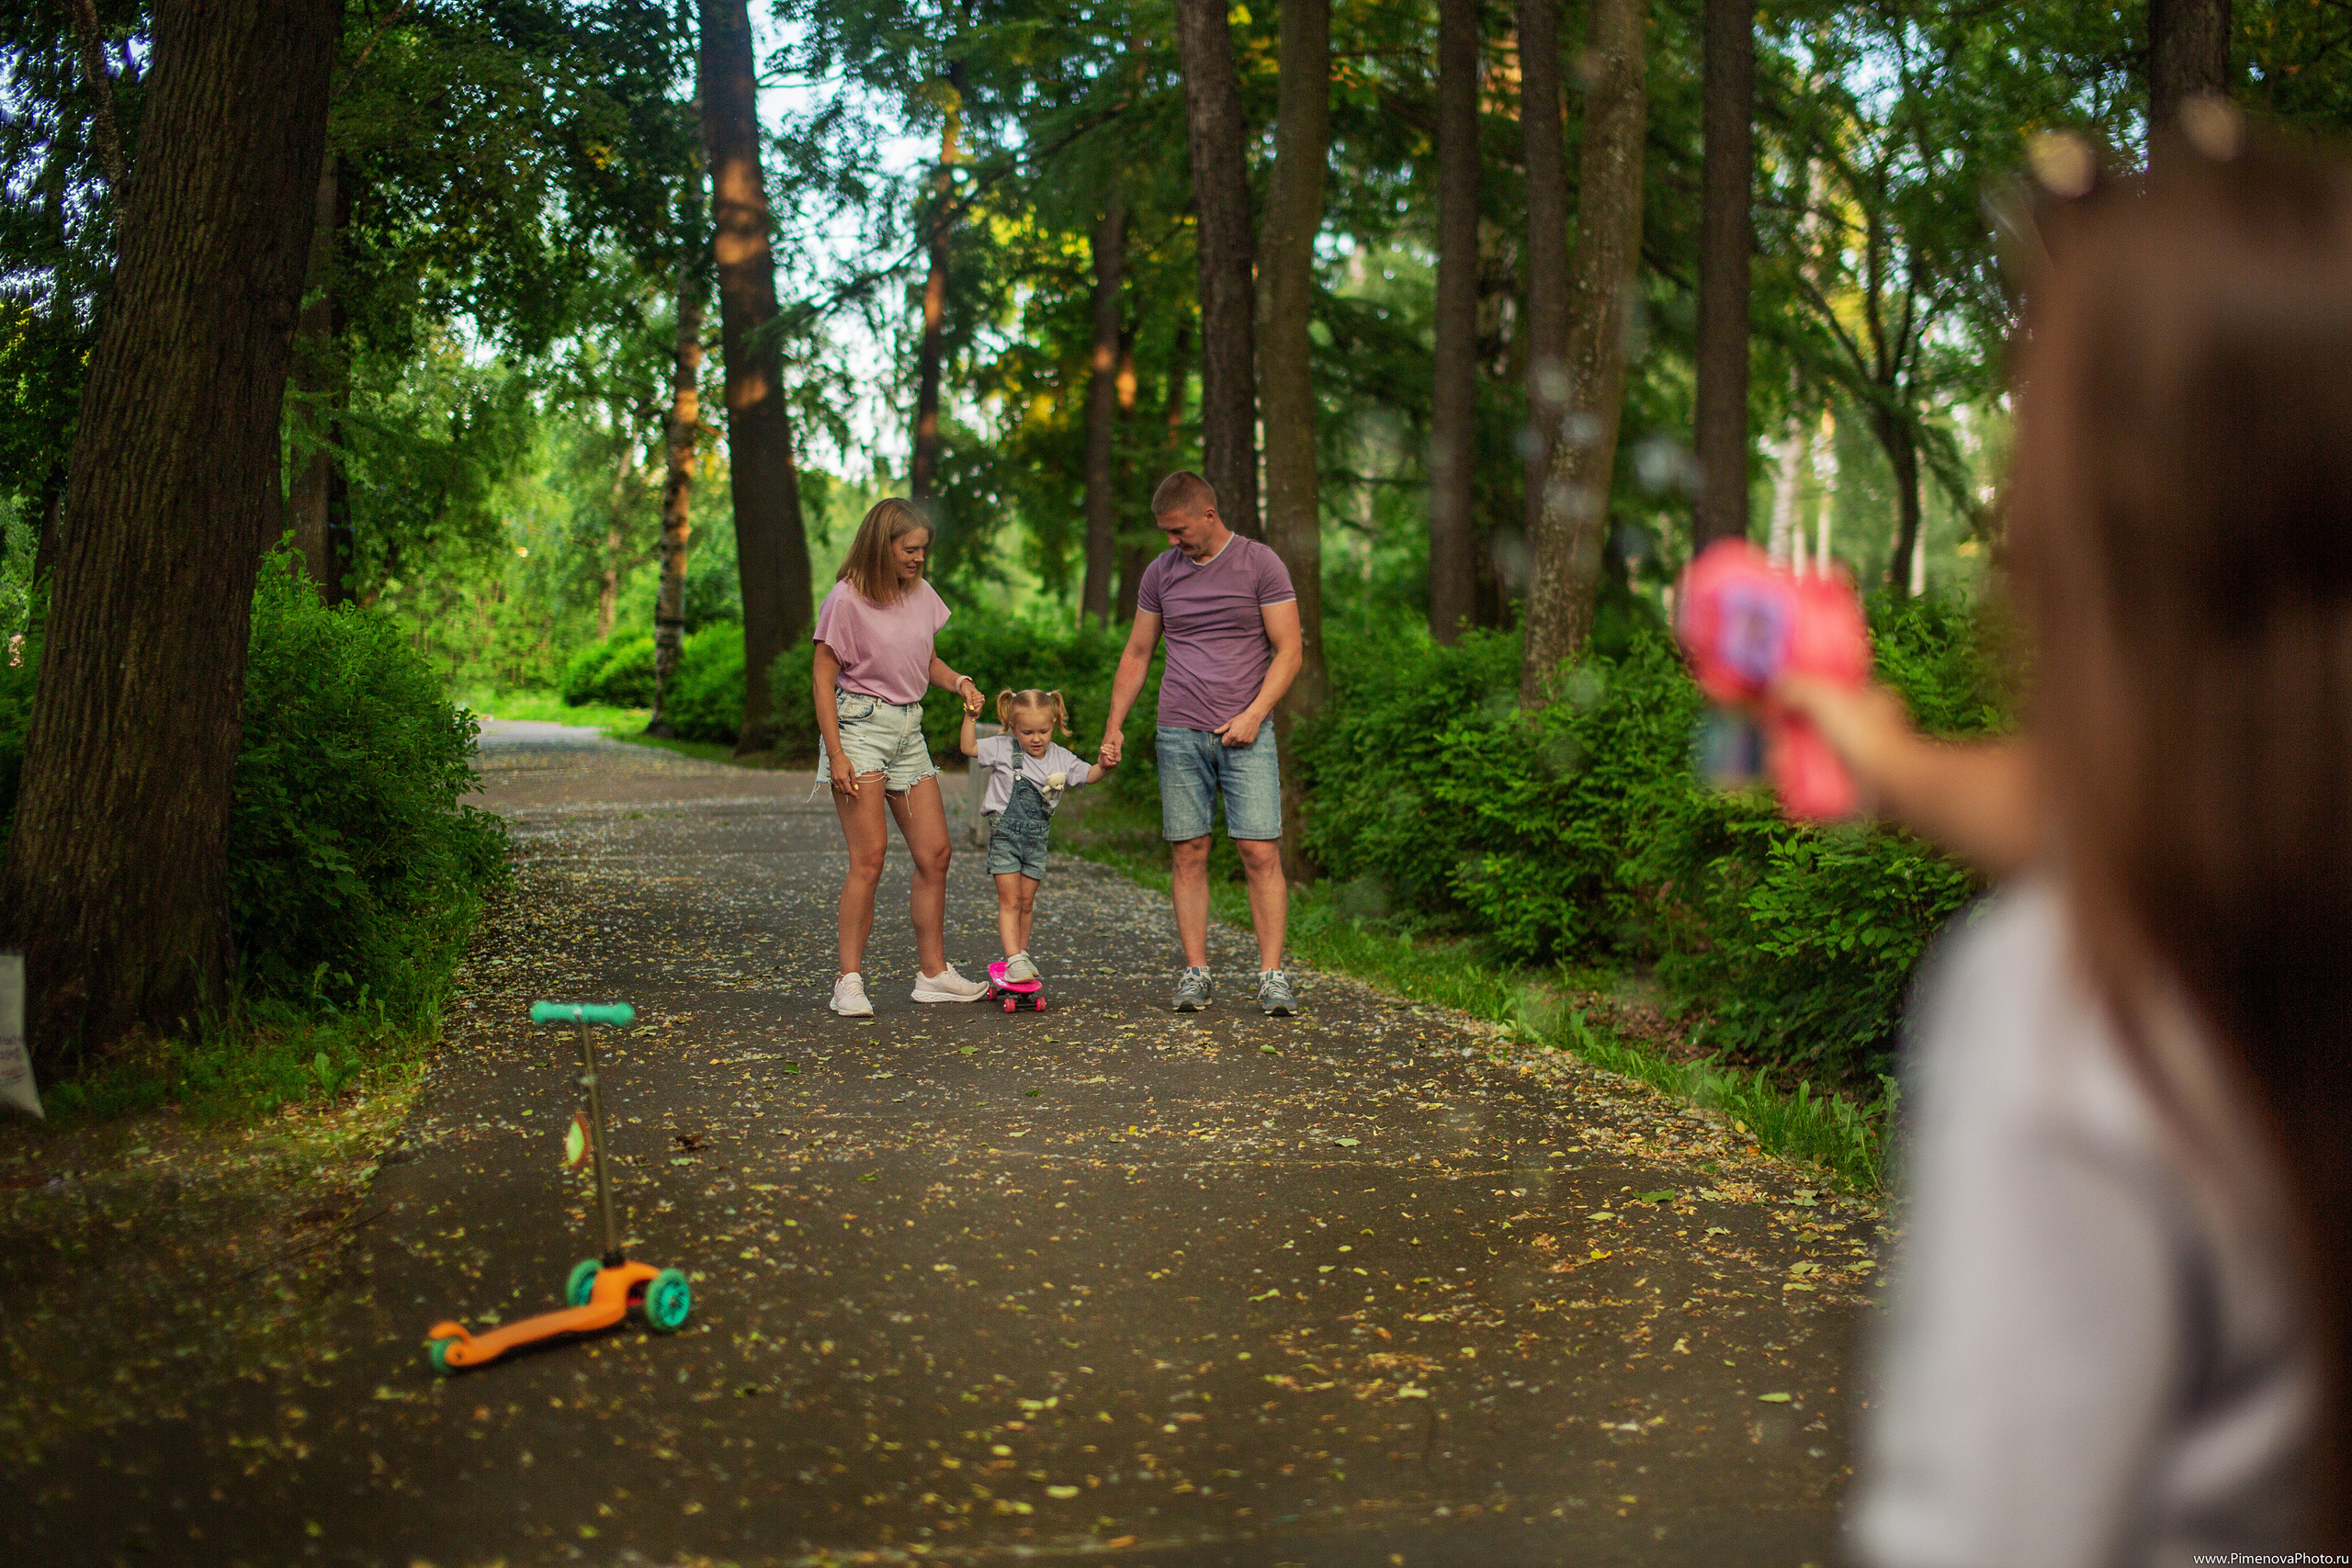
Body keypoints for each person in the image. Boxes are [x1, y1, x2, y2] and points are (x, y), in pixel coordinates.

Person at [1775, 117, 2346, 1561]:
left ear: (2092, 512)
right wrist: (1885, 753)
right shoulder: (2287, 837)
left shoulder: (2075, 1011)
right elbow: (2159, 798)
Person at [1098, 472, 1304, 1015]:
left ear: (1208, 514)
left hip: (1247, 733)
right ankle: (1195, 973)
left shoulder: (1261, 564)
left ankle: (1273, 975)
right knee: (1189, 852)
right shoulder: (1160, 574)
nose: (1172, 542)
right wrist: (1115, 723)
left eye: (1179, 530)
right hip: (1179, 729)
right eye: (1164, 532)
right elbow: (1138, 652)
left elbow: (1289, 651)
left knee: (1259, 851)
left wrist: (1255, 715)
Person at [811, 498, 991, 1017]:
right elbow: (823, 678)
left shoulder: (920, 593)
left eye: (923, 550)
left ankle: (932, 974)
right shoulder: (845, 600)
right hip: (860, 729)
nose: (918, 559)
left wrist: (958, 681)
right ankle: (848, 981)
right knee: (868, 859)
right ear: (881, 544)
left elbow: (925, 658)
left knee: (935, 854)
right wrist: (838, 752)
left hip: (909, 731)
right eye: (909, 549)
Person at [959, 689, 1114, 984]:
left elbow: (1089, 775)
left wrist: (1104, 766)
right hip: (1005, 837)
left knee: (1027, 902)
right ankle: (1013, 957)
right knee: (1011, 901)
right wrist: (970, 717)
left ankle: (1022, 953)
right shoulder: (1004, 749)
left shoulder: (1062, 758)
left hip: (1037, 840)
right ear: (1013, 727)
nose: (1036, 738)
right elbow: (968, 748)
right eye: (1027, 732)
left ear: (1054, 723)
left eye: (1043, 731)